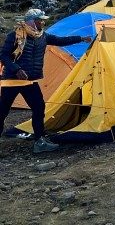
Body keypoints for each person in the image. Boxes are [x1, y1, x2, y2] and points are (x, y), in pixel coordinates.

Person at [0, 8, 92, 153]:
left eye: (43, 19)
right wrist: (17, 69)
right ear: (31, 21)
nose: (43, 22)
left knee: (39, 108)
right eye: (40, 20)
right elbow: (4, 55)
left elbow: (61, 41)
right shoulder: (15, 36)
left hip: (30, 81)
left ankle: (39, 141)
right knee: (3, 111)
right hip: (12, 80)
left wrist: (81, 38)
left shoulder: (42, 36)